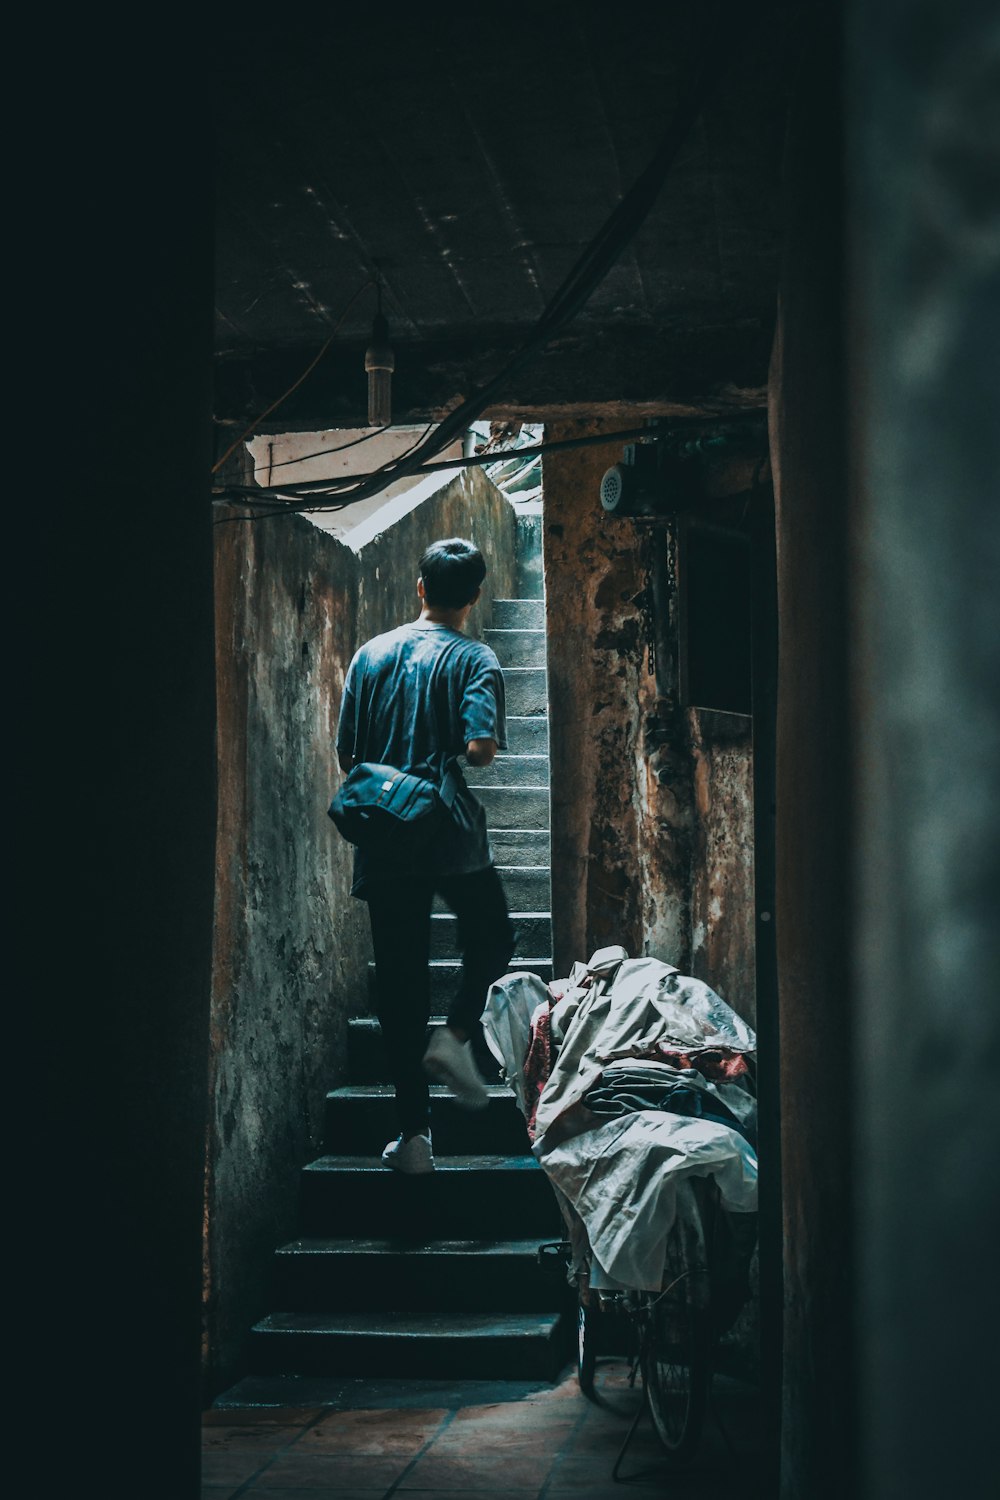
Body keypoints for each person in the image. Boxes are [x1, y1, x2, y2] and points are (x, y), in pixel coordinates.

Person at [335, 538, 515, 1174]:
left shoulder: (370, 655)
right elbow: (481, 747)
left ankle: (414, 1138)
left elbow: (348, 753)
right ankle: (458, 1034)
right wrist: (455, 750)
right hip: (447, 833)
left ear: (419, 588)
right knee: (492, 937)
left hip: (384, 837)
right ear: (472, 597)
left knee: (402, 984)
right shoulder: (475, 658)